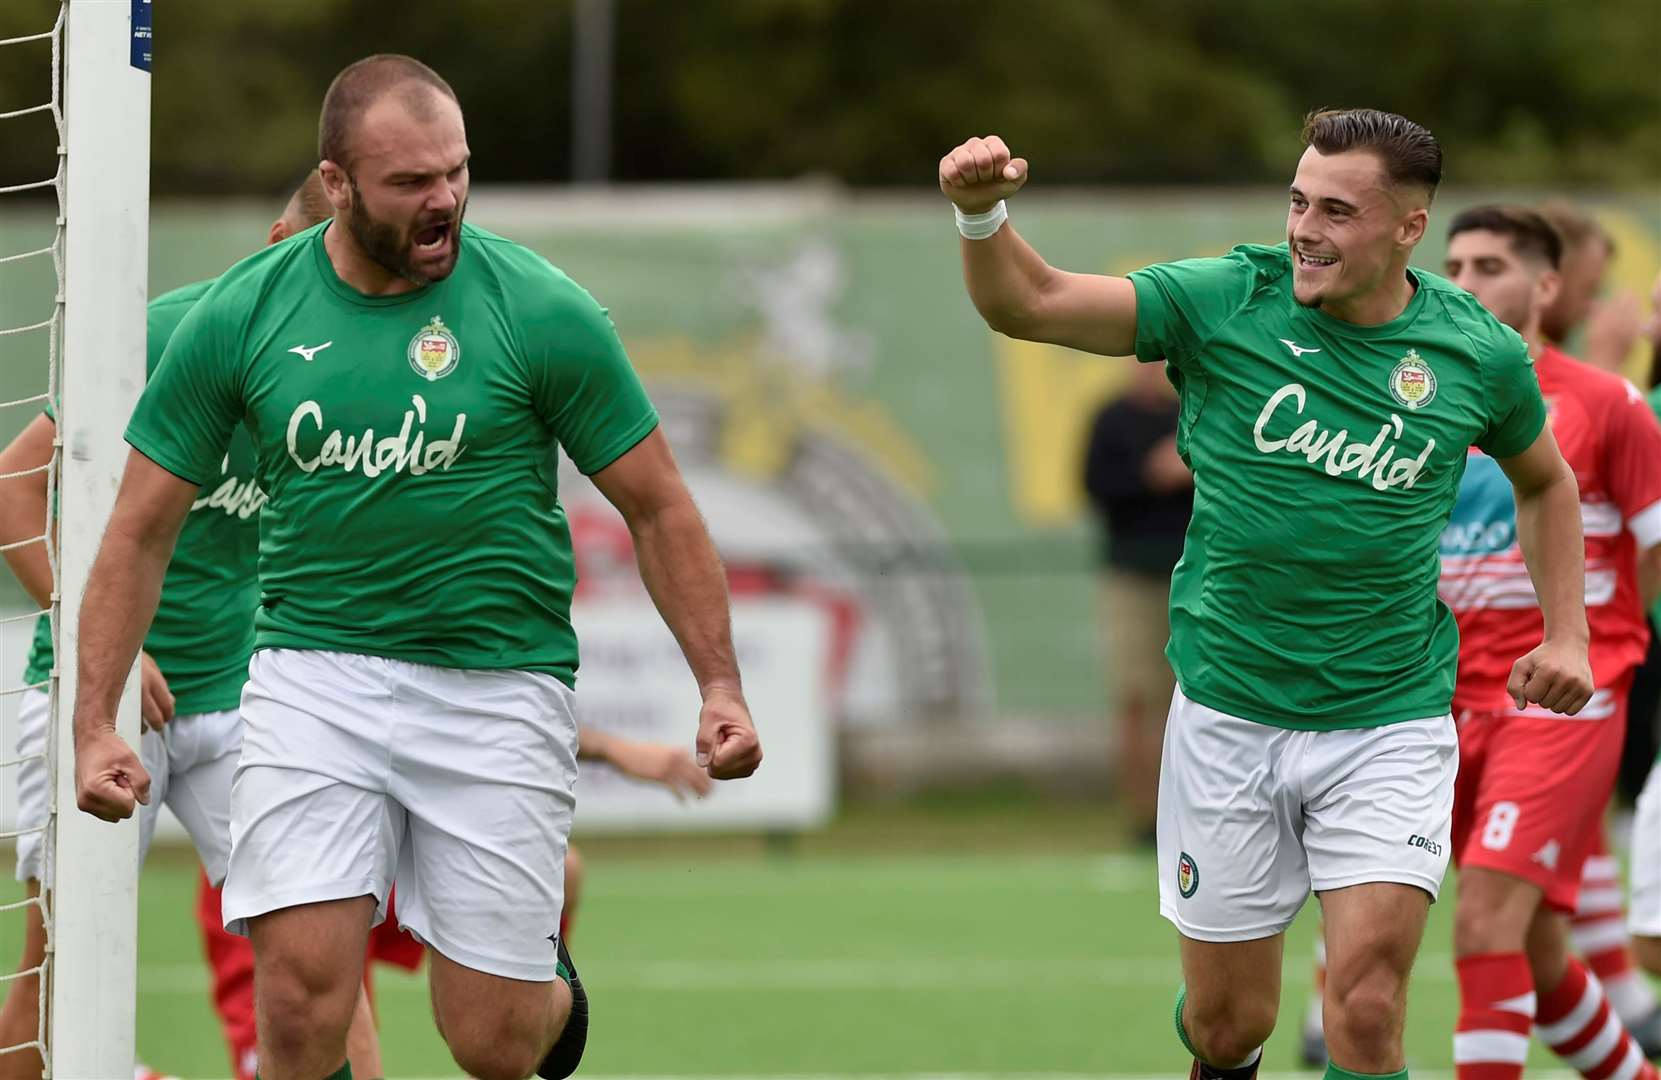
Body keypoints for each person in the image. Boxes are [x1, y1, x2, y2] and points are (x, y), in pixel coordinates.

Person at [71, 54, 761, 1080]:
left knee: (488, 1043)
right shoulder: (241, 316)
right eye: (410, 182)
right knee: (300, 1007)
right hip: (313, 676)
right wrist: (92, 721)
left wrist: (718, 686)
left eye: (455, 171)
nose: (442, 199)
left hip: (496, 683)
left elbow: (657, 505)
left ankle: (540, 987)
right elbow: (133, 531)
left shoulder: (540, 309)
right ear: (337, 185)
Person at [940, 108, 1593, 1080]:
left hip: (1389, 718)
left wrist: (1567, 634)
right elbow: (1026, 304)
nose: (1303, 228)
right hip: (1230, 714)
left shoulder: (1473, 352)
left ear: (1408, 229)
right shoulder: (1222, 300)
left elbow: (1544, 481)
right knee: (1225, 1025)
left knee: (1364, 1004)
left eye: (1335, 209)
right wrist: (980, 218)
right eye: (1296, 201)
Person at [0, 177, 387, 1080]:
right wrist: (114, 651)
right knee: (56, 962)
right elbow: (12, 488)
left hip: (246, 700)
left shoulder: (345, 370)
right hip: (103, 698)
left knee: (321, 955)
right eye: (319, 253)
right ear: (278, 237)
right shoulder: (169, 337)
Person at [1435, 206, 1661, 1080]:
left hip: (1561, 703)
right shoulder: (1419, 399)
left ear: (1545, 287)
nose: (1464, 284)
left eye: (1489, 265)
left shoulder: (1606, 404)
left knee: (1481, 923)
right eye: (1452, 265)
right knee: (1529, 950)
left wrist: (1608, 649)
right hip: (1442, 704)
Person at [195, 726, 714, 1080]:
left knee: (494, 1037)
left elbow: (474, 708)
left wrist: (611, 748)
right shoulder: (280, 626)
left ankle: (538, 969)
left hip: (362, 842)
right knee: (301, 1038)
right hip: (284, 860)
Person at [1081, 361, 1192, 845]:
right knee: (1134, 698)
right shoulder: (1111, 419)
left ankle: (1188, 813)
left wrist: (1185, 467)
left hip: (1192, 576)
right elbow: (1094, 487)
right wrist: (1152, 474)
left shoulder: (1191, 414)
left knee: (1187, 700)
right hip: (1130, 577)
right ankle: (1142, 816)